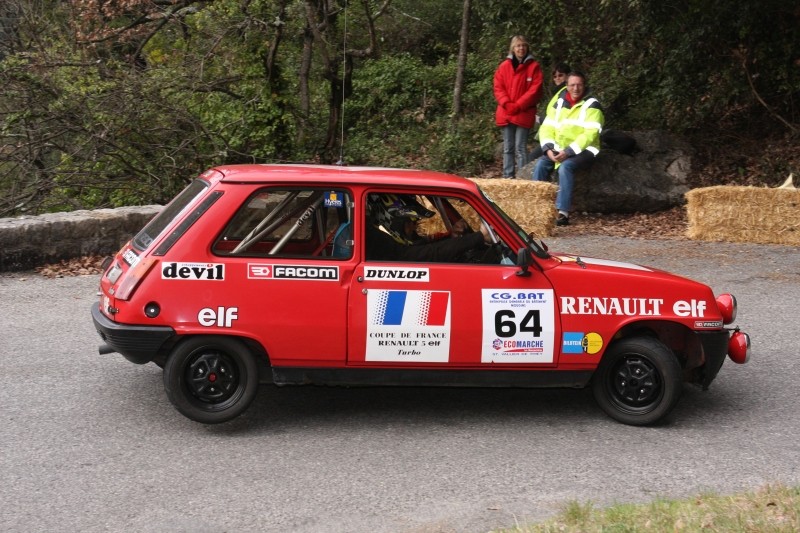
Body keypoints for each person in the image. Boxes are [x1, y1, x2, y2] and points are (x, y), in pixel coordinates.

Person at [531, 70, 604, 226]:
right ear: (566, 86)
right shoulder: (559, 103)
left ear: (584, 85)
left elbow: (590, 134)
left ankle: (562, 213)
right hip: (559, 149)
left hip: (585, 150)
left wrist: (569, 151)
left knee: (566, 167)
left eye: (579, 85)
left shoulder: (592, 105)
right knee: (541, 165)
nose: (576, 88)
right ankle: (536, 208)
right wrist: (548, 149)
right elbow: (547, 128)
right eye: (572, 85)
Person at [365, 194, 490, 262]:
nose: (414, 226)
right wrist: (479, 237)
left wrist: (450, 236)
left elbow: (420, 245)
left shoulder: (377, 235)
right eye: (410, 221)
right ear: (392, 220)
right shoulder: (377, 241)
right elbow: (425, 254)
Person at [493, 35, 543, 179]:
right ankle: (507, 176)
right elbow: (498, 87)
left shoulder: (534, 67)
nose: (521, 48)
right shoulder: (504, 66)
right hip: (506, 111)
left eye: (523, 45)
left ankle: (522, 177)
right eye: (518, 46)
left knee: (521, 148)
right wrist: (507, 103)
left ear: (527, 48)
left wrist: (518, 105)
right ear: (513, 48)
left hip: (523, 112)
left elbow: (535, 90)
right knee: (508, 147)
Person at [529, 62, 572, 161]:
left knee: (531, 159)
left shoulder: (565, 93)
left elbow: (561, 116)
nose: (557, 78)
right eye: (555, 76)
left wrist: (539, 119)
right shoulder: (559, 92)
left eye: (560, 75)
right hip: (552, 134)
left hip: (559, 137)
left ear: (568, 76)